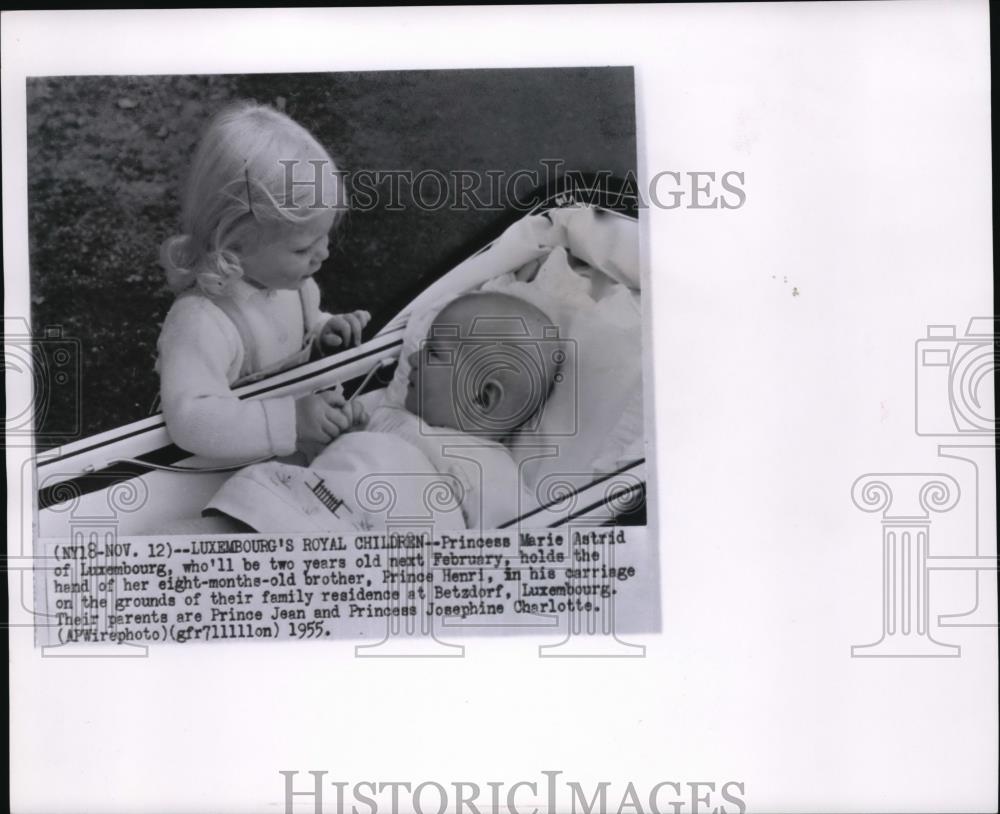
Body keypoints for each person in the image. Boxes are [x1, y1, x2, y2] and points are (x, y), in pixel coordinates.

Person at [198, 291, 565, 532]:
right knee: (223, 529)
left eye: (434, 353)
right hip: (307, 505)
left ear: (483, 398)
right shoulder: (387, 417)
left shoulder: (493, 471)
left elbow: (517, 543)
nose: (415, 358)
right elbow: (331, 466)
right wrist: (341, 436)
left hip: (369, 550)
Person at [156, 102, 369, 463]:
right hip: (221, 471)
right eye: (303, 248)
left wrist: (323, 332)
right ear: (235, 244)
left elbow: (296, 331)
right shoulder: (202, 323)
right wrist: (293, 421)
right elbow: (190, 420)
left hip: (286, 454)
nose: (324, 255)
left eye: (324, 237)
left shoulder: (297, 288)